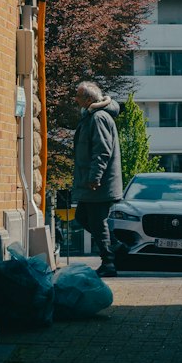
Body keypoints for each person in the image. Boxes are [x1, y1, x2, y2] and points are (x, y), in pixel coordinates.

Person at [71, 80, 123, 276]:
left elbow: (102, 151)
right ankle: (115, 246)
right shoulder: (91, 116)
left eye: (78, 95)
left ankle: (108, 262)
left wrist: (95, 177)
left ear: (88, 99)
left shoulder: (99, 118)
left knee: (96, 221)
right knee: (83, 218)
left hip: (99, 184)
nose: (75, 99)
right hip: (93, 182)